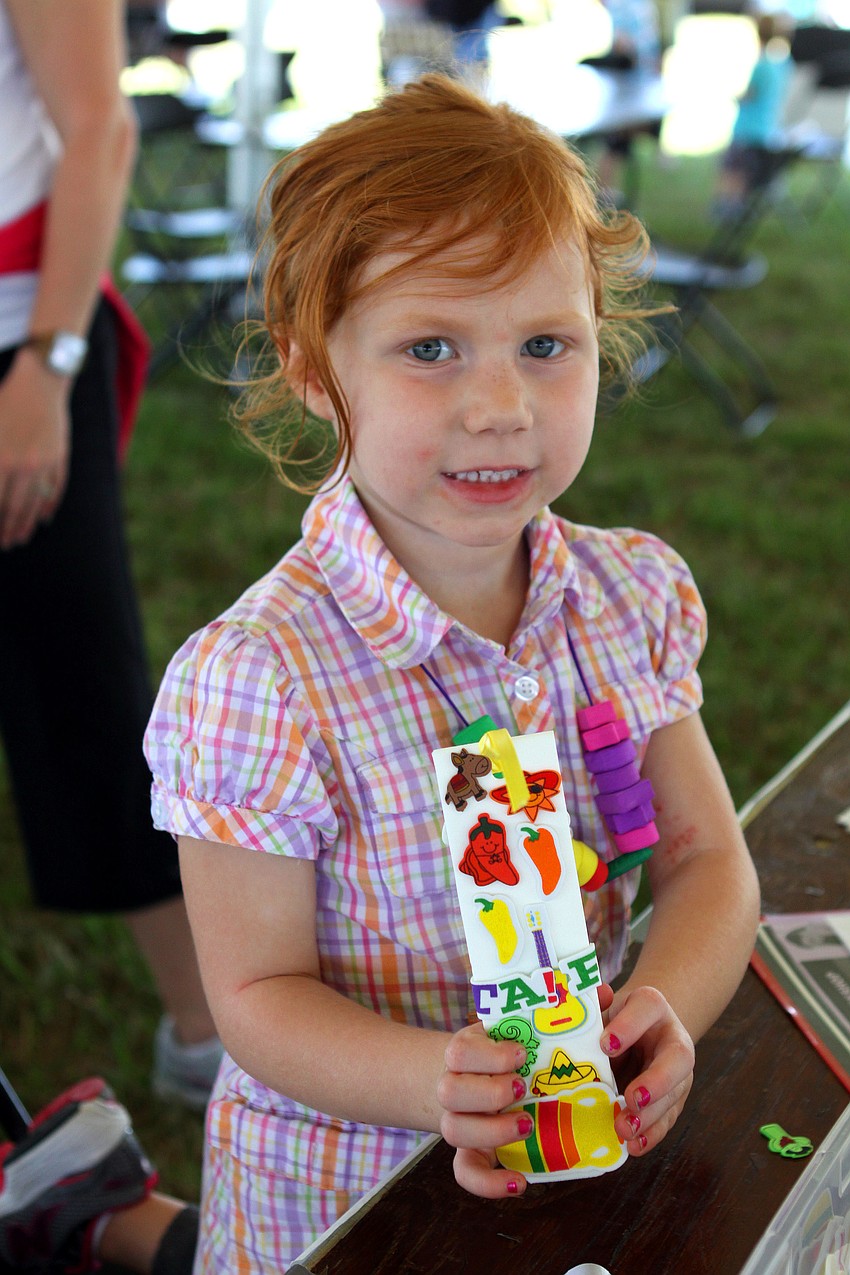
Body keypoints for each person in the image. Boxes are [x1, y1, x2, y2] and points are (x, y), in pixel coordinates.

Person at [136, 74, 760, 1273]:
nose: (499, 406)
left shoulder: (626, 596)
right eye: (430, 348)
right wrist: (433, 1080)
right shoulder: (261, 679)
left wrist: (662, 1009)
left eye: (545, 345)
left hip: (580, 1155)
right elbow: (257, 995)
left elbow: (705, 859)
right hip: (348, 1198)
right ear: (313, 369)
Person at [0, 0, 220, 1108]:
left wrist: (46, 366)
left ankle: (207, 1029)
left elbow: (100, 124)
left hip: (17, 343)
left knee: (78, 682)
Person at [714, 11, 793, 216]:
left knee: (734, 170)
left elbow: (749, 95)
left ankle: (730, 208)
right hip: (769, 128)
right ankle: (740, 207)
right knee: (748, 171)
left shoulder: (762, 65)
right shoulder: (784, 65)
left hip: (747, 130)